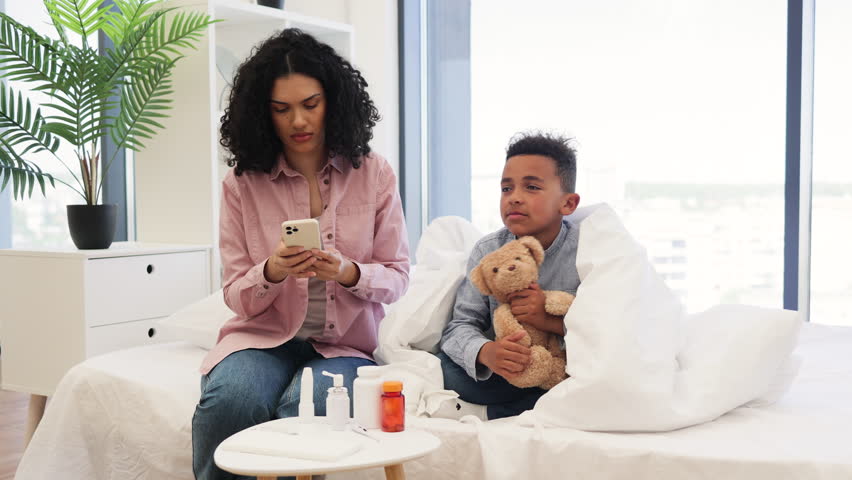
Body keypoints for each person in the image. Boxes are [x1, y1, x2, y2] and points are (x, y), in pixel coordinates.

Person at [192, 29, 410, 480]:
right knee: (232, 400)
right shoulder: (241, 184)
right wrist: (271, 271)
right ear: (262, 113)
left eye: (310, 104)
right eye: (282, 109)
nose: (298, 121)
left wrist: (349, 273)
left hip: (344, 345)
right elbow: (236, 295)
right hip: (260, 338)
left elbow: (398, 276)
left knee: (304, 410)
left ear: (333, 100)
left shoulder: (374, 173)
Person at [437, 132, 581, 420]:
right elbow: (459, 326)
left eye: (531, 187)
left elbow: (602, 328)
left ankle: (519, 408)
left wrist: (546, 319)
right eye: (506, 189)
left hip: (563, 367)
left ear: (568, 204)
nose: (514, 198)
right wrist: (487, 352)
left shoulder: (585, 251)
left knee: (586, 379)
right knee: (446, 371)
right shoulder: (488, 251)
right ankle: (524, 406)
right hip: (509, 371)